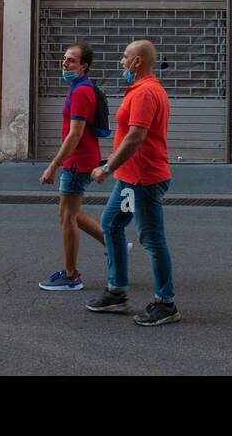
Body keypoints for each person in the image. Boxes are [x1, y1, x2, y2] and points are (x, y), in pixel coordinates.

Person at [86, 39, 180, 326]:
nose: (121, 62)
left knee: (152, 240)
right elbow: (131, 135)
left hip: (143, 179)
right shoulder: (141, 89)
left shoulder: (145, 92)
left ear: (138, 62)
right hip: (129, 179)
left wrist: (107, 167)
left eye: (125, 57)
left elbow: (136, 137)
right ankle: (117, 292)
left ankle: (166, 303)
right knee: (112, 225)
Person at [38, 42, 106, 291]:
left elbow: (75, 134)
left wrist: (53, 165)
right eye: (65, 59)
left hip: (77, 161)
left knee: (67, 217)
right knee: (70, 214)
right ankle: (114, 246)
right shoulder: (79, 87)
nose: (65, 63)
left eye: (71, 61)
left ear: (83, 66)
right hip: (79, 158)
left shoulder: (80, 92)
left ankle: (71, 276)